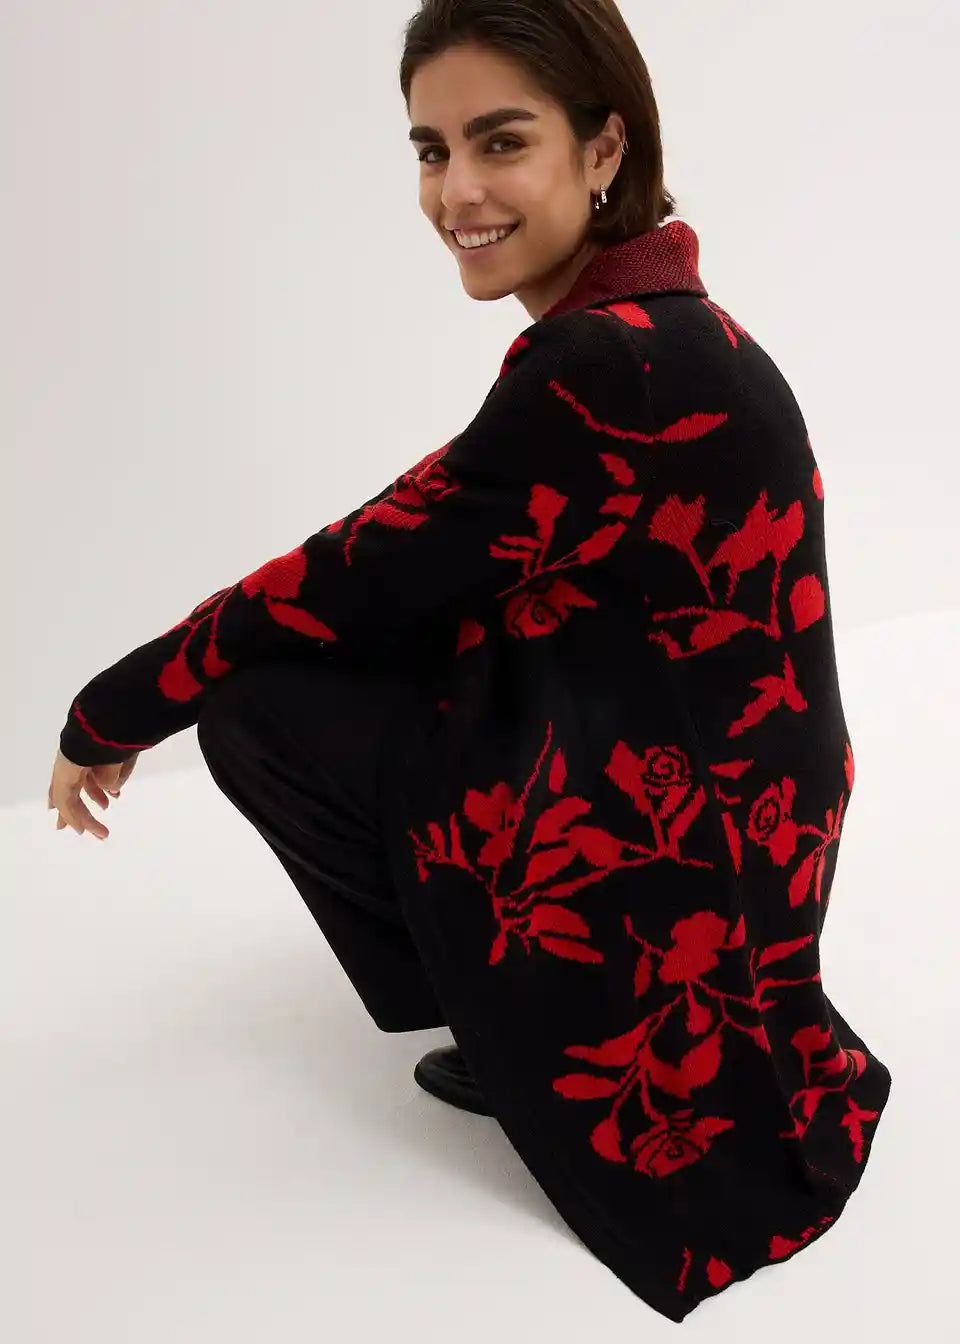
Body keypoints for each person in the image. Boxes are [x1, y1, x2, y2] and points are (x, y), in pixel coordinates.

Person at [46, 0, 893, 1324]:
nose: (456, 193)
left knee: (256, 705)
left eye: (501, 142)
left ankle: (515, 1033)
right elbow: (436, 545)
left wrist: (113, 707)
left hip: (696, 862)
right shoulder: (664, 324)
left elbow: (357, 565)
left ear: (603, 149)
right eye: (431, 151)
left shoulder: (608, 361)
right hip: (739, 822)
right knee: (385, 641)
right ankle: (504, 1003)